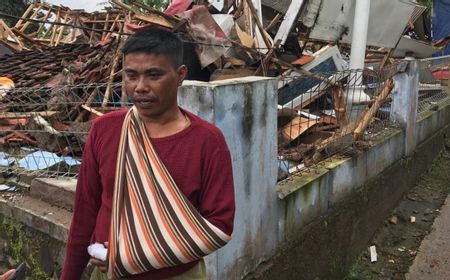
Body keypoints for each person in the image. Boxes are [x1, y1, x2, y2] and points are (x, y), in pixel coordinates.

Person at [60, 28, 235, 280]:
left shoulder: (207, 142)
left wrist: (130, 256)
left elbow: (219, 226)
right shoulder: (105, 130)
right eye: (131, 75)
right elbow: (85, 211)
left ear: (180, 75)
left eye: (154, 75)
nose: (140, 87)